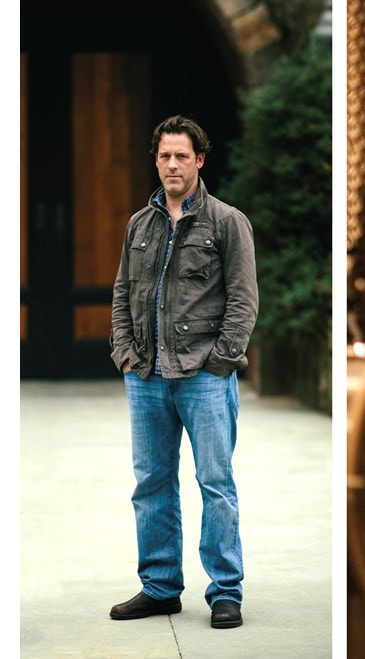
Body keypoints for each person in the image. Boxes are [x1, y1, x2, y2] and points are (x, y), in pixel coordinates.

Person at [108, 115, 258, 629]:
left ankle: (225, 591)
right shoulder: (138, 224)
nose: (172, 164)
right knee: (151, 482)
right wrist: (125, 354)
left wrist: (220, 363)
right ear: (156, 160)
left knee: (215, 483)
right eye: (164, 156)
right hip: (145, 376)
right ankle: (160, 587)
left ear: (199, 160)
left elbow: (243, 300)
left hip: (203, 376)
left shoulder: (226, 221)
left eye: (182, 156)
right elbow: (123, 293)